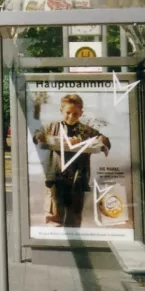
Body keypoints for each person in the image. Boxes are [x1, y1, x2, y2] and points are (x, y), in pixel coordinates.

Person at [33, 93, 110, 228]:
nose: (71, 117)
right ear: (61, 111)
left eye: (75, 114)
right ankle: (56, 243)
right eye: (68, 113)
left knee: (74, 218)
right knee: (55, 217)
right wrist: (40, 137)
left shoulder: (86, 131)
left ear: (81, 113)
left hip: (77, 179)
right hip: (55, 178)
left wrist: (101, 140)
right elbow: (37, 135)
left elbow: (104, 140)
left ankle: (73, 243)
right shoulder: (52, 127)